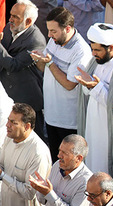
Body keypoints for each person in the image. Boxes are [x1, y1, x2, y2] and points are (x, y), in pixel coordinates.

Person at [75, 22, 113, 201]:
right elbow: (89, 91)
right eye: (92, 49)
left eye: (97, 50)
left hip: (110, 131)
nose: (93, 54)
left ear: (110, 48)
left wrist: (95, 86)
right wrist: (88, 86)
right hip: (93, 124)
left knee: (107, 171)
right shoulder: (97, 60)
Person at [31, 6, 91, 161]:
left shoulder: (81, 51)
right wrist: (39, 60)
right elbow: (44, 68)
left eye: (53, 31)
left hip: (68, 120)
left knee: (69, 161)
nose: (49, 35)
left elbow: (70, 84)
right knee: (56, 160)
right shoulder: (54, 40)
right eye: (49, 30)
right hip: (51, 115)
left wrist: (50, 63)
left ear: (68, 28)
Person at [0, 103, 51, 206]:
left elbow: (30, 192)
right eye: (9, 120)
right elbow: (2, 164)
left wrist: (3, 176)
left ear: (27, 126)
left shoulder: (38, 153)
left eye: (13, 122)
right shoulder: (9, 138)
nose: (7, 125)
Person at [0, 0, 46, 141]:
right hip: (9, 95)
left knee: (32, 138)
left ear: (28, 21)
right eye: (11, 15)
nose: (10, 20)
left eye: (15, 17)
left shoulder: (36, 40)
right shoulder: (9, 28)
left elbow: (14, 65)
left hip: (27, 99)